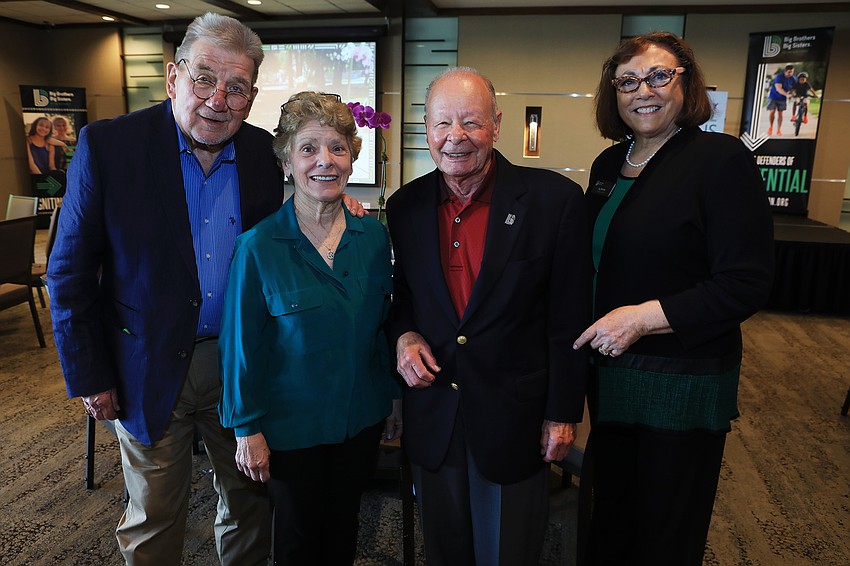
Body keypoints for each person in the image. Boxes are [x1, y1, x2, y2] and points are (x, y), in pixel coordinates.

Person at [49, 12, 362, 566]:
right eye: (203, 79)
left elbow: (300, 219)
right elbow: (69, 272)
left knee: (249, 505)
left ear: (251, 96)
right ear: (173, 77)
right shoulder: (109, 147)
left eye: (235, 87)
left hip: (244, 366)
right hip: (146, 364)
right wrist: (90, 374)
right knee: (155, 515)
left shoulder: (268, 158)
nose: (218, 99)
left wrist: (341, 207)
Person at [573, 32, 774, 565]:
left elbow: (745, 281)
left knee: (665, 531)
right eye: (628, 81)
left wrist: (643, 318)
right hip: (612, 376)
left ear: (687, 83)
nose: (644, 90)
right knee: (612, 515)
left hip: (679, 384)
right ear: (613, 93)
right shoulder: (607, 165)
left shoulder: (718, 159)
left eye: (660, 76)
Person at [385, 67, 591, 565]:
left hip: (515, 418)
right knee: (445, 550)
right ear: (426, 131)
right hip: (434, 413)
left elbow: (570, 316)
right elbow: (403, 297)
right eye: (442, 124)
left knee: (508, 553)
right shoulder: (405, 206)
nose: (455, 137)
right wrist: (404, 334)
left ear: (496, 125)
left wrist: (563, 413)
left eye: (471, 122)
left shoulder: (553, 201)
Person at [218, 91, 401, 566]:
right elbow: (240, 347)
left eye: (338, 148)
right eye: (309, 148)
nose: (325, 161)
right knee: (298, 539)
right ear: (286, 162)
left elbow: (383, 326)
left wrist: (392, 400)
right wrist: (246, 429)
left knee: (344, 529)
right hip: (289, 427)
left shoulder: (374, 236)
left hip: (358, 420)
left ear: (352, 158)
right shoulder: (258, 247)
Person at [766, 64, 795, 136]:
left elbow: (794, 87)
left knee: (780, 114)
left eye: (792, 72)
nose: (790, 74)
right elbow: (778, 88)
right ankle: (771, 127)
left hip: (782, 99)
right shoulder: (779, 77)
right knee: (772, 112)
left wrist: (792, 93)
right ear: (785, 71)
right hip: (773, 97)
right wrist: (787, 95)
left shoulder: (793, 79)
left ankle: (778, 130)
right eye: (789, 72)